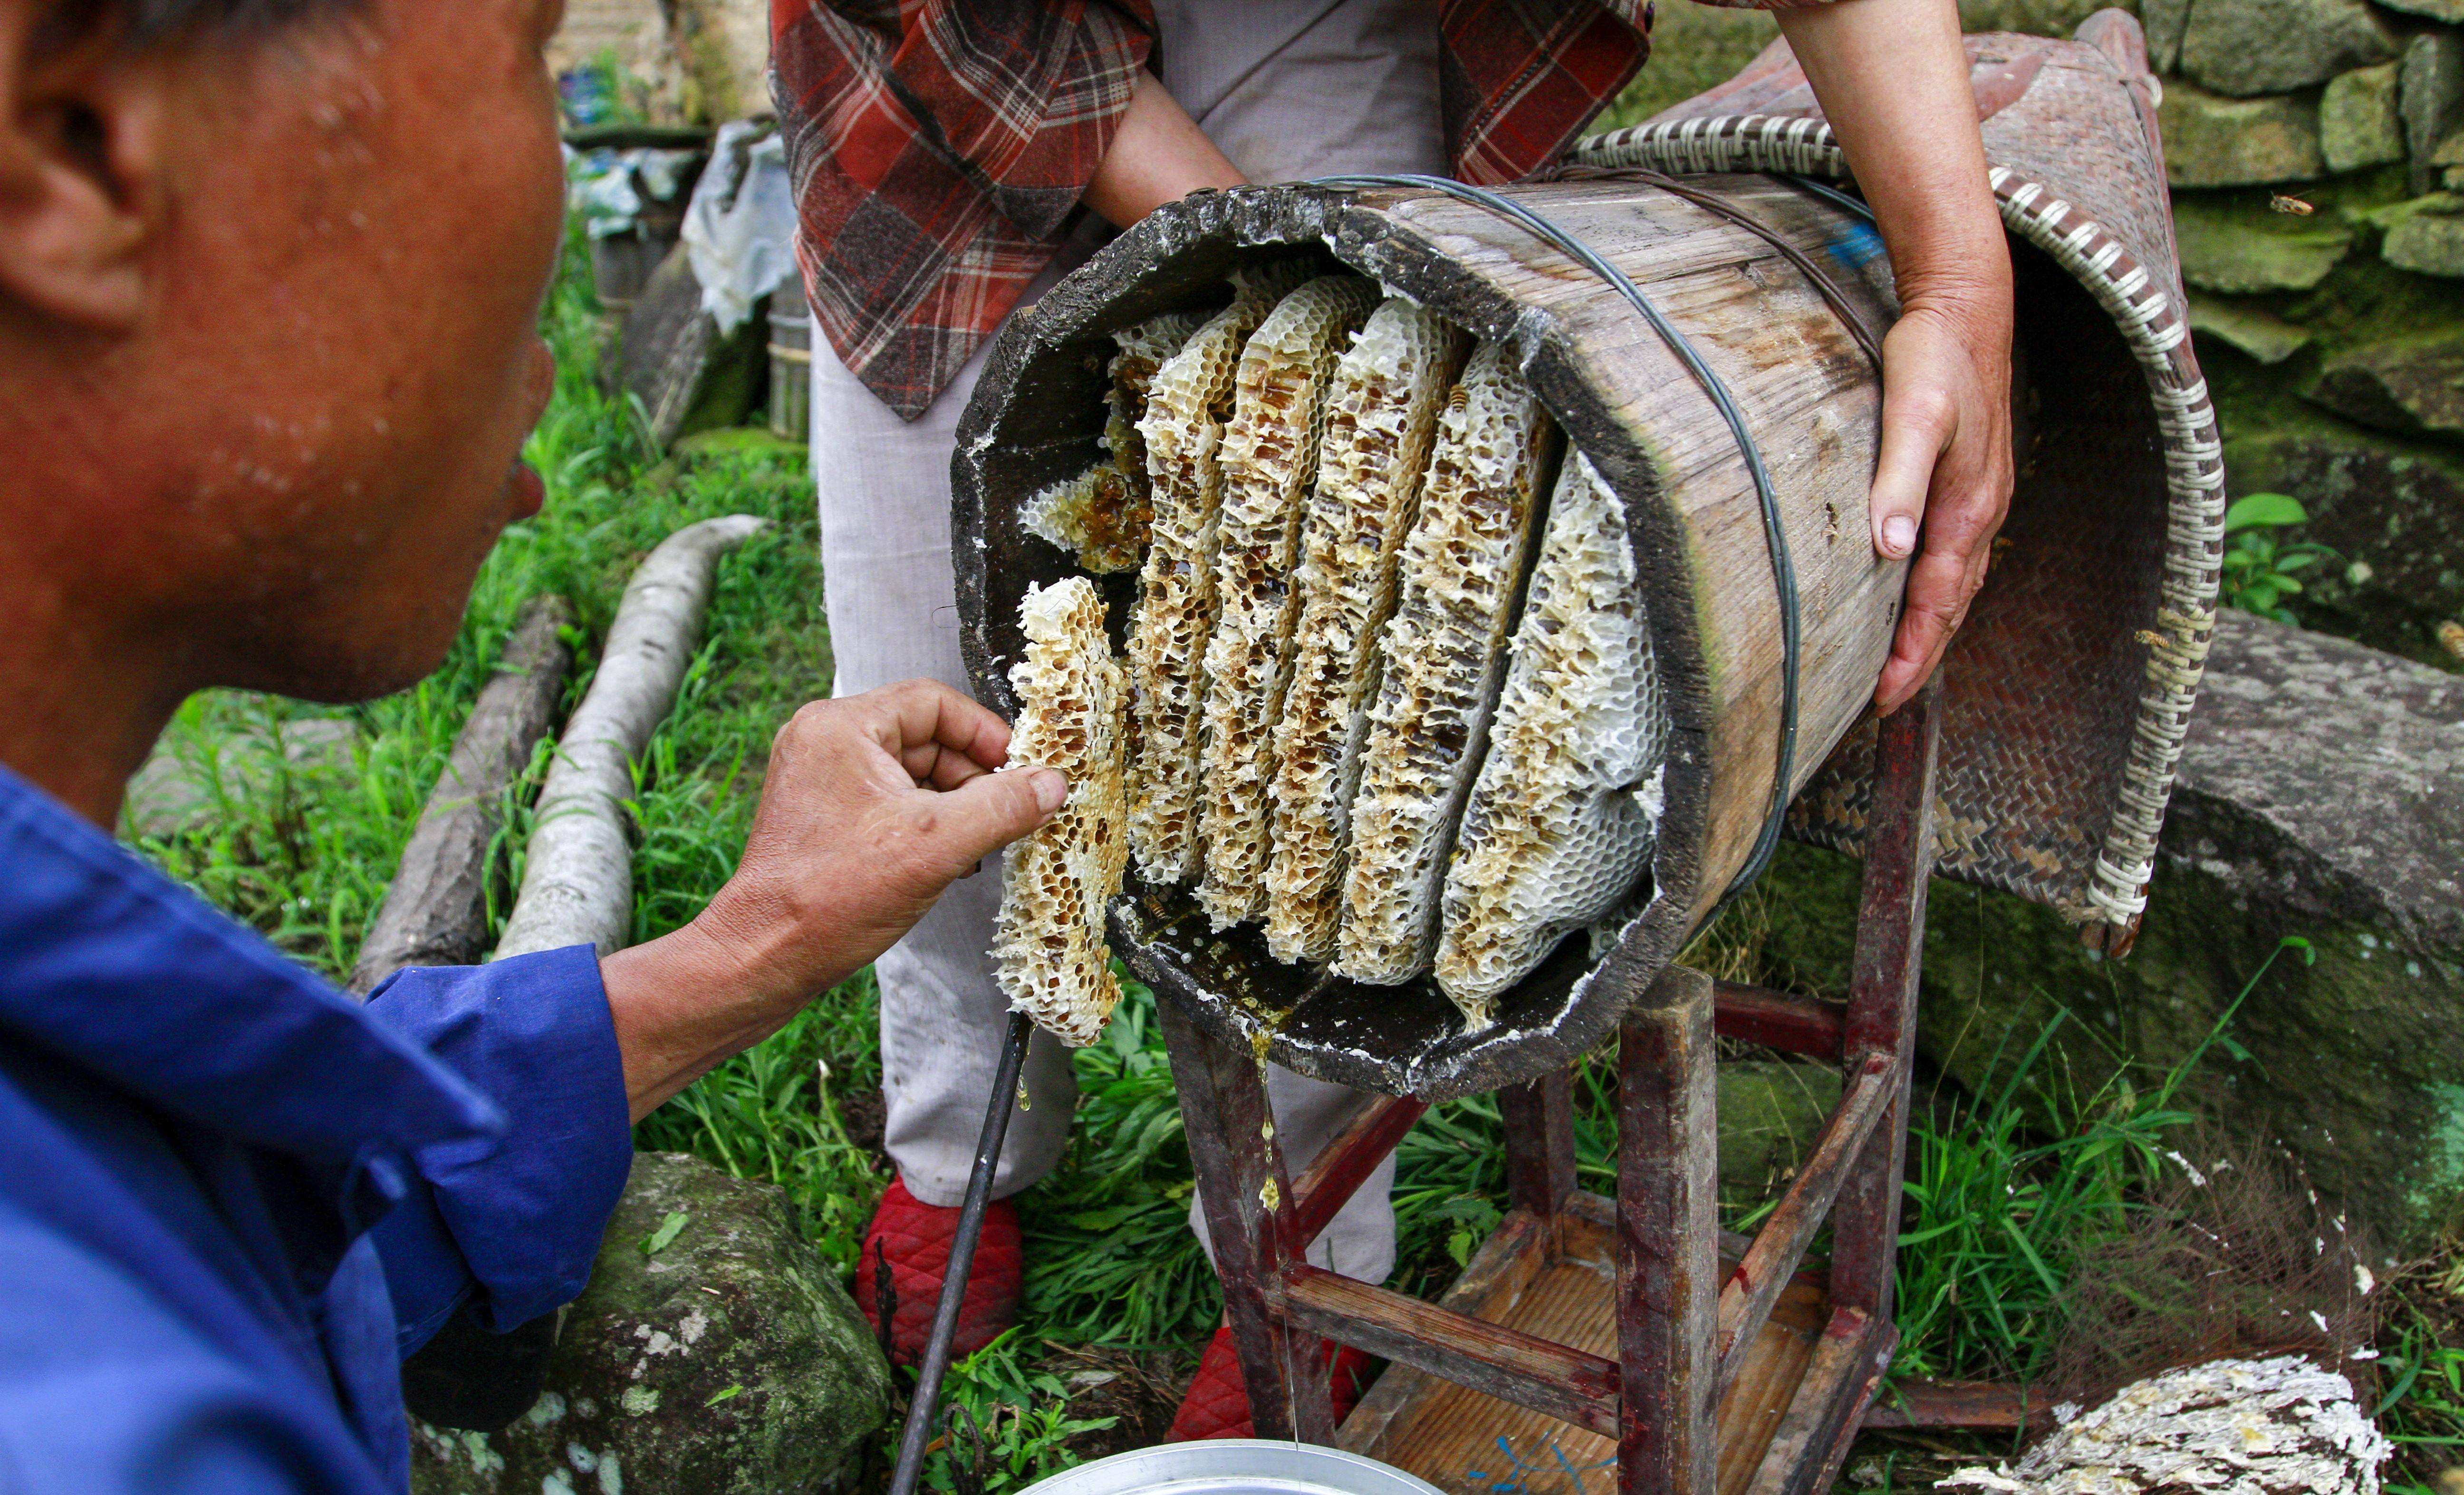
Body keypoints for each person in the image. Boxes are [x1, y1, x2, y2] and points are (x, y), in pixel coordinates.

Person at [778, 0, 2015, 1440]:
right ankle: (954, 1157)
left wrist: (1955, 279)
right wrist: (1246, 297)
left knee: (1353, 694)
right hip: (948, 61)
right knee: (919, 660)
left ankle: (1311, 1235)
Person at [0, 0, 1071, 1489]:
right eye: (530, 52)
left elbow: (284, 1224)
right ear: (81, 149)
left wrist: (751, 940)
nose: (561, 369)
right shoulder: (116, 1432)